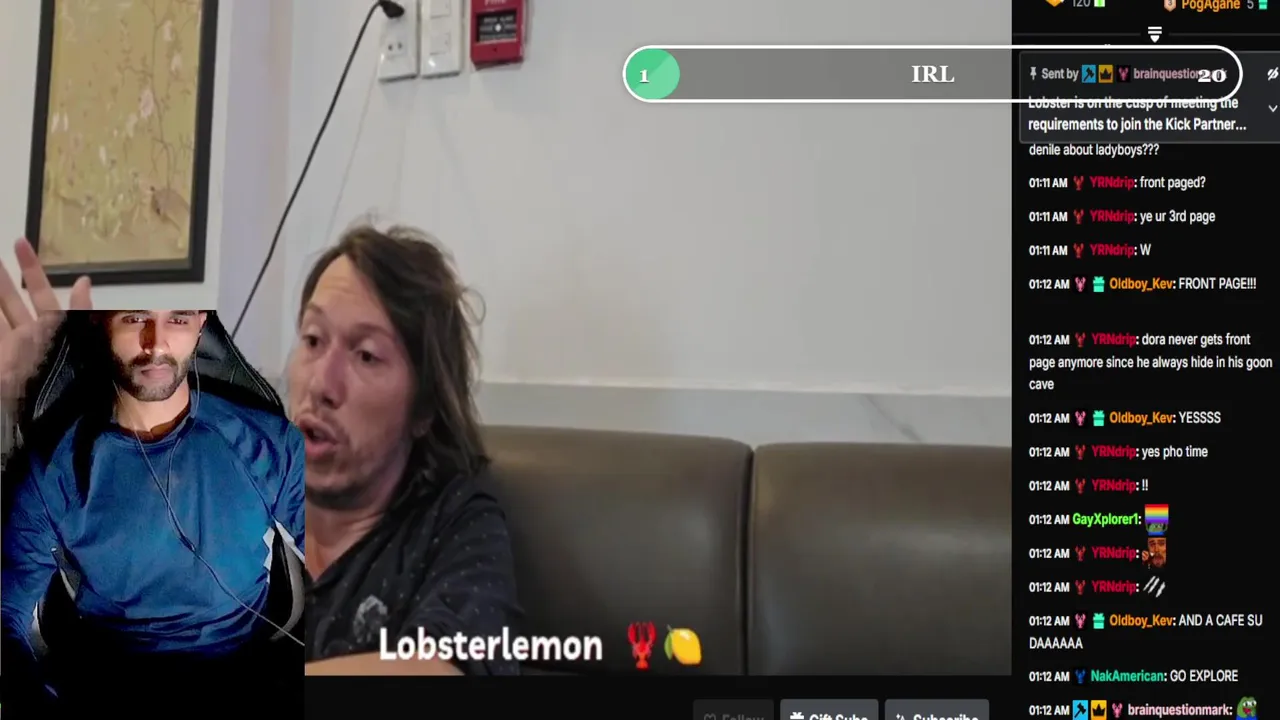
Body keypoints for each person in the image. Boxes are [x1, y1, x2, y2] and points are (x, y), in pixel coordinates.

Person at [1, 303, 304, 705]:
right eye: (135, 318)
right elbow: (7, 610)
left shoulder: (268, 443)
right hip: (118, 680)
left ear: (201, 325)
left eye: (178, 319)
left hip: (245, 670)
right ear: (100, 320)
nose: (156, 343)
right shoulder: (54, 471)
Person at [296, 224, 520, 675]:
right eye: (313, 340)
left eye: (366, 355)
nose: (321, 384)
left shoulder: (453, 520)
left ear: (424, 408)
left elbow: (448, 670)